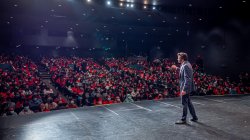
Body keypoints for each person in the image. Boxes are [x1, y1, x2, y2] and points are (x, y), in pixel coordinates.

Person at [171, 52, 198, 124]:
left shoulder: (186, 65)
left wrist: (184, 90)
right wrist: (176, 68)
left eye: (178, 58)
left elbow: (187, 79)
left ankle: (183, 119)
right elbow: (183, 71)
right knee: (188, 102)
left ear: (182, 58)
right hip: (186, 87)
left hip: (185, 88)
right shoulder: (185, 64)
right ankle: (194, 117)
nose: (177, 59)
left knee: (184, 103)